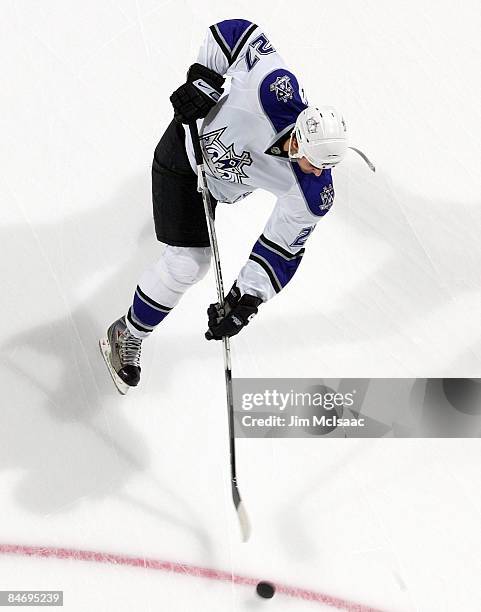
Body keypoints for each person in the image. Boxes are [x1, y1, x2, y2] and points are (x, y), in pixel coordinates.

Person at [100, 18, 350, 395]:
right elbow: (237, 32)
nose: (309, 165)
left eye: (320, 165)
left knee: (192, 262)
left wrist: (244, 299)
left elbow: (281, 247)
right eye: (306, 152)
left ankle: (131, 326)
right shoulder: (274, 89)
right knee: (188, 263)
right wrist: (203, 80)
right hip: (184, 152)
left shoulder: (312, 192)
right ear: (299, 130)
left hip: (214, 187)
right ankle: (125, 333)